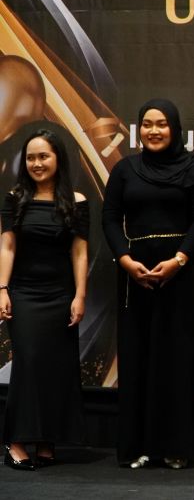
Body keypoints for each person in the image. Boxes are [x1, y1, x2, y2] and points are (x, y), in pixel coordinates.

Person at [102, 98, 194, 469]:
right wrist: (125, 261)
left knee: (175, 359)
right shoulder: (125, 169)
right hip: (135, 276)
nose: (154, 131)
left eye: (162, 124)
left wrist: (178, 261)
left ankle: (176, 447)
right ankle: (137, 447)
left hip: (180, 275)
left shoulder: (193, 167)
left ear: (175, 129)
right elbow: (109, 218)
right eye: (147, 124)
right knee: (137, 358)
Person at [0, 127, 88, 471]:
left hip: (61, 294)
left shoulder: (77, 202)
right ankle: (16, 441)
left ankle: (47, 440)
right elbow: (7, 246)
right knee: (29, 363)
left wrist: (80, 295)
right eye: (31, 158)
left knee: (56, 366)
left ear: (58, 159)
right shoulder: (14, 198)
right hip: (23, 293)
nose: (36, 163)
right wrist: (2, 289)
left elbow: (79, 252)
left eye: (43, 157)